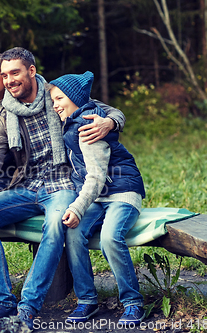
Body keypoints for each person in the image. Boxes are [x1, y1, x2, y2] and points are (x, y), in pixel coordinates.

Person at [0, 47, 125, 330]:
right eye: (4, 75)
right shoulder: (7, 114)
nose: (9, 80)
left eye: (14, 73)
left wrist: (110, 122)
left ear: (31, 71)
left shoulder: (56, 96)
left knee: (55, 223)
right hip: (27, 184)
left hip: (63, 185)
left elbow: (108, 110)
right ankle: (4, 300)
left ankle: (28, 305)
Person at [47, 72, 146, 325]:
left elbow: (96, 177)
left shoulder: (87, 126)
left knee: (110, 238)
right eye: (53, 99)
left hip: (121, 192)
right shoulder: (72, 120)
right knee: (73, 233)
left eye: (59, 98)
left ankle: (133, 302)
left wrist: (77, 207)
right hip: (98, 198)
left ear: (75, 98)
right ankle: (87, 301)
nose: (55, 104)